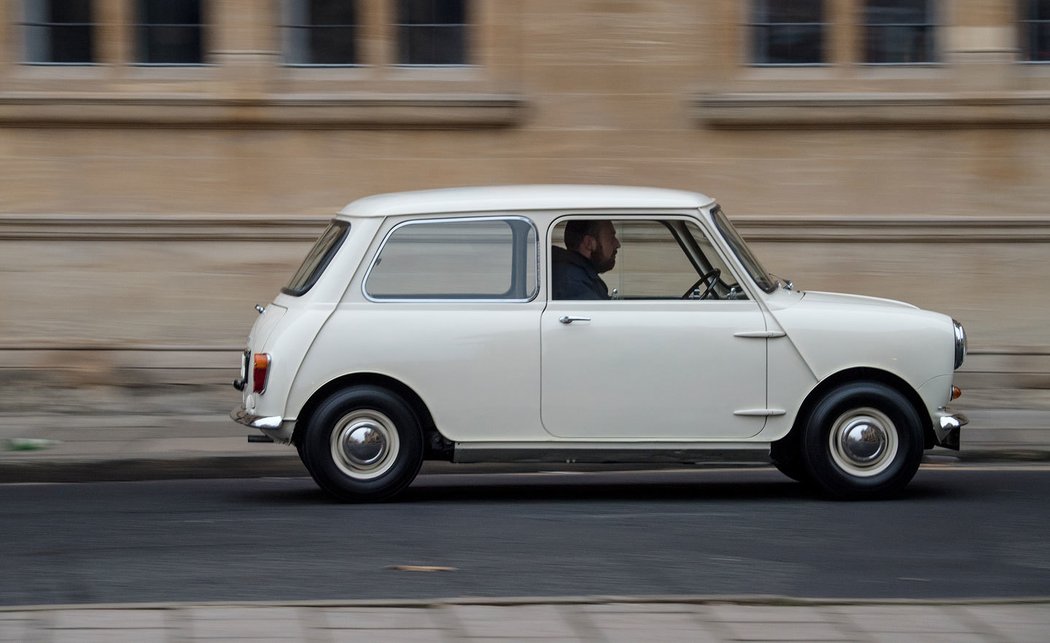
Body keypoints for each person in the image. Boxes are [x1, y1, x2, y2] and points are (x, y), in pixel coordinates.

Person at [551, 219, 620, 300]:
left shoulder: (581, 276)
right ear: (589, 243)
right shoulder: (573, 283)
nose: (617, 244)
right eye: (611, 237)